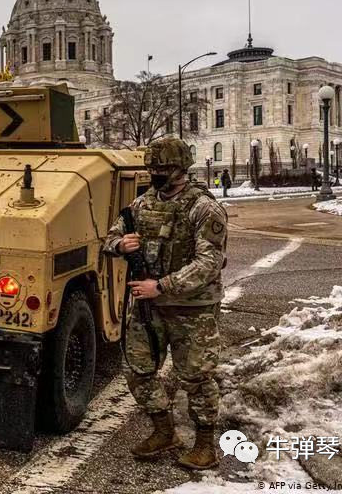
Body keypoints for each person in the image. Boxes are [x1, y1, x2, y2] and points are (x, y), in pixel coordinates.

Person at [103, 137, 227, 470]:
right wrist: (120, 245)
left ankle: (204, 445)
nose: (156, 174)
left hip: (192, 309)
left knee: (197, 378)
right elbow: (110, 238)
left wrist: (162, 286)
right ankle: (164, 431)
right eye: (152, 168)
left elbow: (209, 263)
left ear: (180, 169)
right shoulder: (143, 205)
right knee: (137, 369)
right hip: (149, 307)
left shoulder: (203, 207)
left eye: (162, 169)